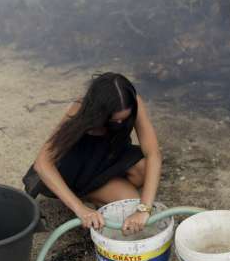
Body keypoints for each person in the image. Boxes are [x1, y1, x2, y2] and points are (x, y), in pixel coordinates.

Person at [23, 72, 162, 234]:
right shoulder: (80, 110)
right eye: (114, 120)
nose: (120, 123)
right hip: (80, 170)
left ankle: (103, 192)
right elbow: (42, 163)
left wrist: (144, 209)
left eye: (124, 119)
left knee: (145, 170)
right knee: (129, 201)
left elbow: (153, 153)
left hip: (110, 155)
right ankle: (87, 195)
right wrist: (80, 209)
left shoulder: (132, 101)